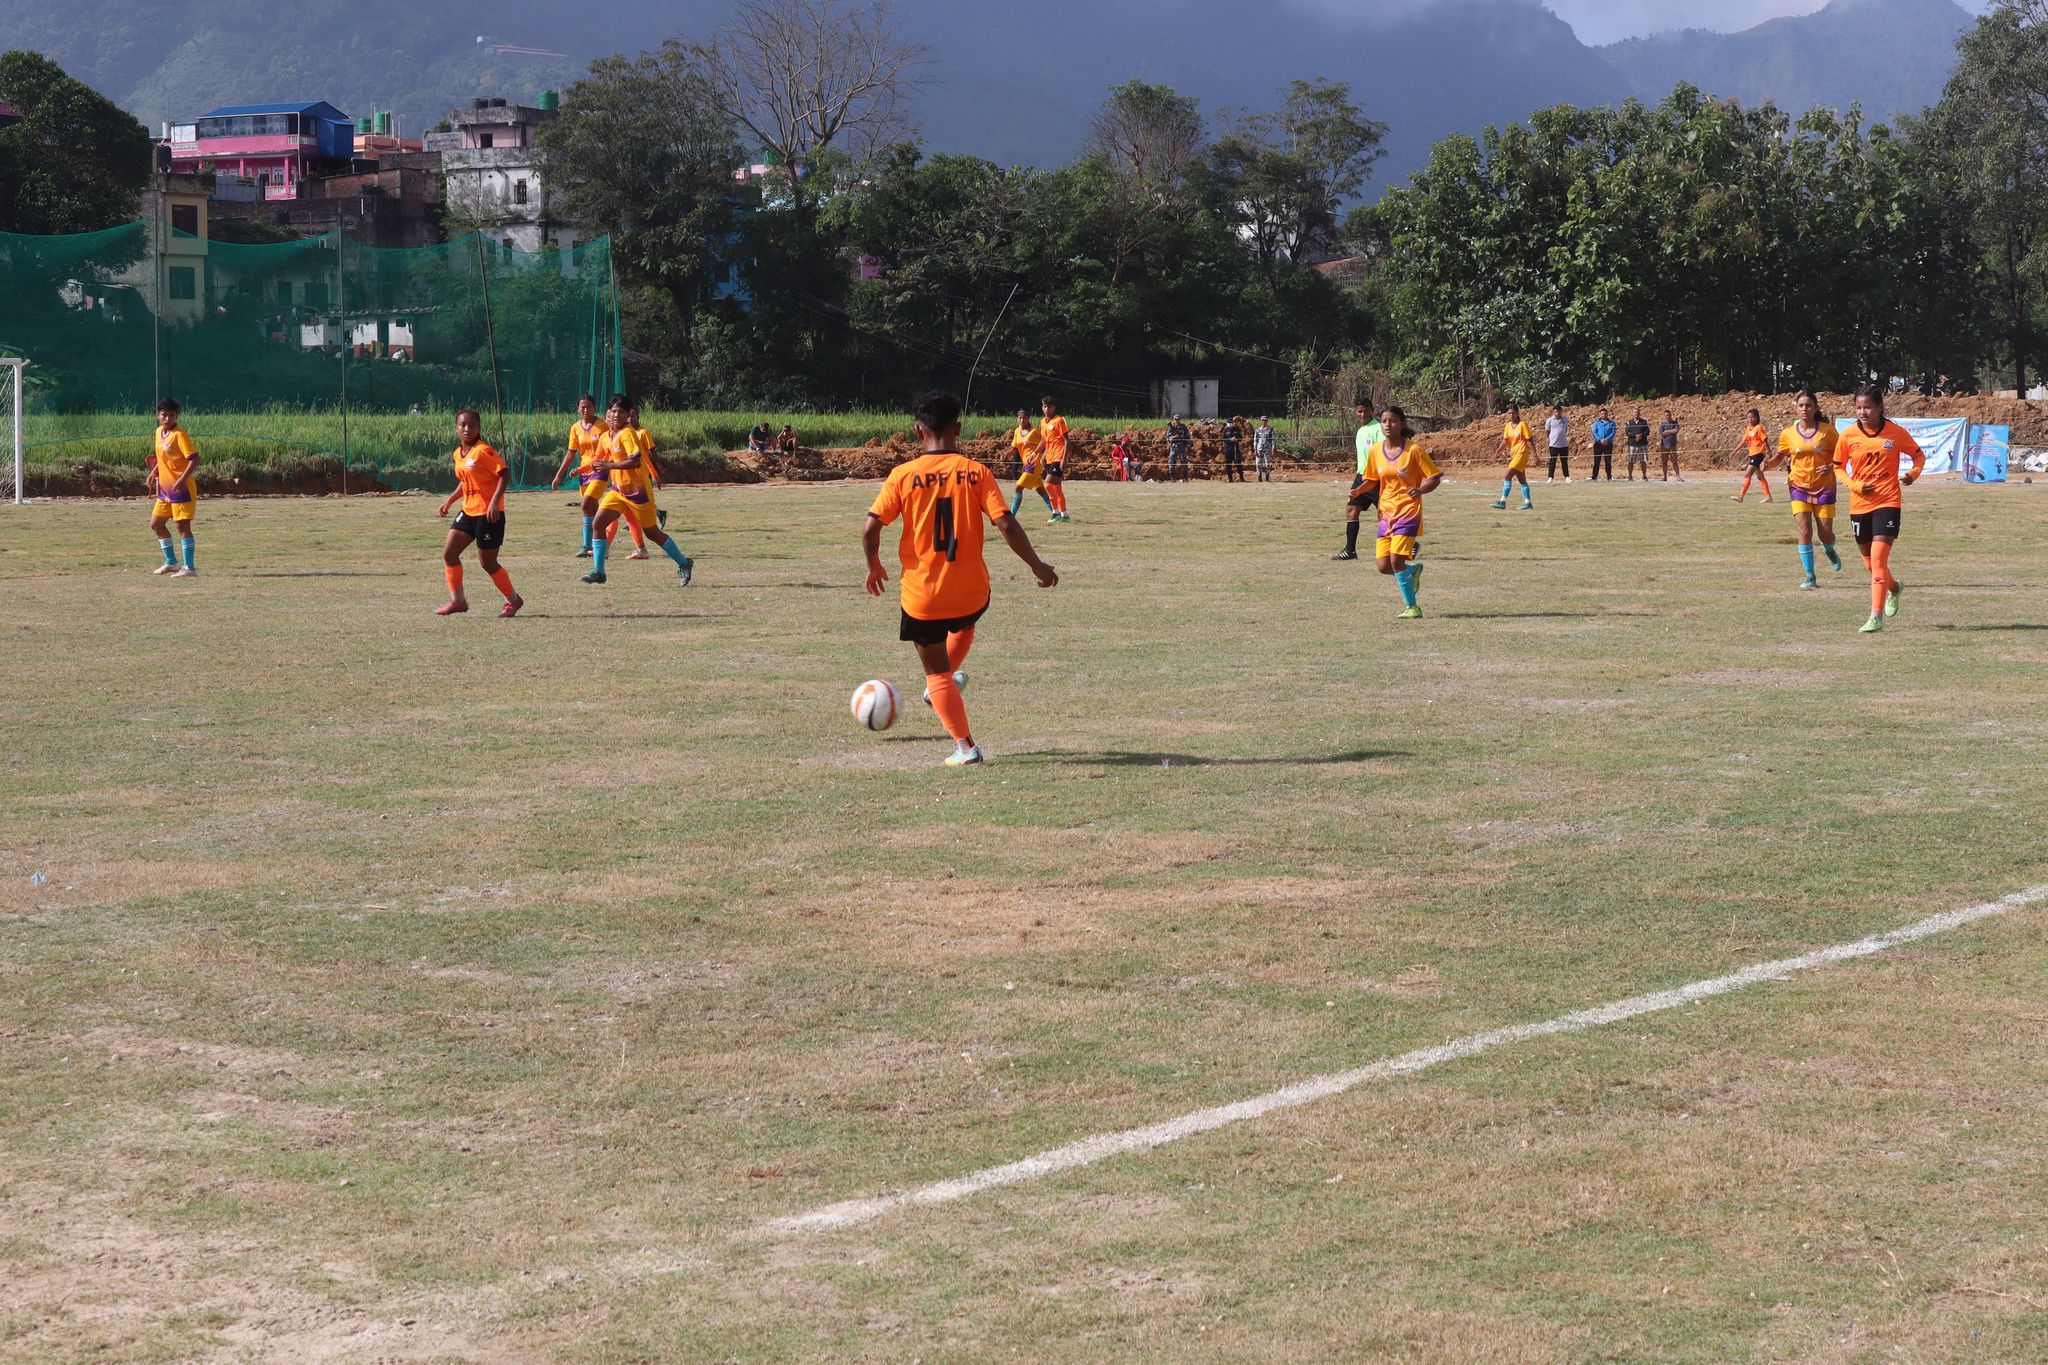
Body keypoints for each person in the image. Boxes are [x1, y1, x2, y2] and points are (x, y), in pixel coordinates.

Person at [863, 389, 1058, 767]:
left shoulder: (903, 475)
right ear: (958, 428)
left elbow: (871, 527)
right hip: (971, 593)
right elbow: (1006, 523)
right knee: (963, 624)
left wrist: (873, 565)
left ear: (918, 432)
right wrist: (1037, 565)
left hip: (923, 597)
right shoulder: (977, 472)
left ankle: (965, 746)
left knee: (935, 672)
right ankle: (944, 685)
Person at [1835, 385, 1924, 634]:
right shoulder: (1849, 435)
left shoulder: (1895, 433)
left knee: (1878, 559)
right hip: (1859, 503)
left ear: (1880, 407)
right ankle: (1894, 587)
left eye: (1868, 407)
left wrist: (1913, 474)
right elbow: (1838, 467)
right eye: (1859, 407)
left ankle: (1875, 617)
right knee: (1869, 564)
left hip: (1888, 502)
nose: (1863, 411)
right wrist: (1855, 485)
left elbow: (1919, 457)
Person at [580, 395, 694, 587]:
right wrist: (586, 469)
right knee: (598, 524)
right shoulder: (607, 436)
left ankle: (684, 562)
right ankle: (599, 571)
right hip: (618, 491)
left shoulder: (628, 433)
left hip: (639, 493)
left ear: (628, 415)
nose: (617, 415)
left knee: (652, 533)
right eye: (614, 411)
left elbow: (635, 461)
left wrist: (609, 466)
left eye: (621, 412)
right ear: (608, 413)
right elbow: (599, 458)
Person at [433, 409, 523, 618]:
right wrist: (449, 500)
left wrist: (494, 503)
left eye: (472, 425)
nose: (467, 428)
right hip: (468, 511)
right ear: (456, 427)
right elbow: (465, 482)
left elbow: (504, 473)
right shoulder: (458, 453)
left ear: (478, 428)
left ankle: (514, 600)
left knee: (488, 563)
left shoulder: (484, 451)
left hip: (488, 515)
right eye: (463, 424)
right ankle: (458, 601)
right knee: (449, 553)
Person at [1359, 405, 1443, 619]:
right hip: (1385, 514)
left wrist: (1420, 489)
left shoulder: (1414, 450)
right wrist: (1357, 491)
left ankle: (1412, 607)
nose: (1388, 424)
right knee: (1383, 565)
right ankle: (1412, 570)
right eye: (1385, 421)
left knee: (1396, 560)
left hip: (1408, 511)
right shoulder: (1376, 451)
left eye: (1393, 420)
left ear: (1402, 424)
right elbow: (1371, 479)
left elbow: (1434, 477)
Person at [1768, 387, 1843, 589]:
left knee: (1825, 532)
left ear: (1815, 407)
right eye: (1801, 405)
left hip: (1824, 488)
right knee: (1804, 529)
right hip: (1798, 486)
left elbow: (1843, 455)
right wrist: (1768, 464)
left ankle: (1829, 548)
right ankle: (1810, 576)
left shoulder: (1828, 431)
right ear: (1795, 408)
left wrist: (1830, 467)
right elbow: (1780, 455)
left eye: (1808, 405)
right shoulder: (1788, 433)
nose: (1804, 409)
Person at [146, 399, 200, 578]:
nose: (167, 418)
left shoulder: (180, 434)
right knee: (156, 524)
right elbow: (162, 458)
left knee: (182, 526)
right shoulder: (158, 432)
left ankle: (189, 568)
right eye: (164, 414)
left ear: (177, 416)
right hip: (165, 488)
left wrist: (183, 479)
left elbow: (194, 458)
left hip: (181, 488)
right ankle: (171, 562)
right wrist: (154, 472)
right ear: (158, 416)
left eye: (171, 415)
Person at [547, 394, 607, 559]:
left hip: (600, 471)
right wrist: (559, 475)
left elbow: (608, 452)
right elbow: (570, 454)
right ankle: (599, 547)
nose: (585, 410)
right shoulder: (575, 428)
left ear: (594, 407)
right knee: (591, 510)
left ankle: (586, 545)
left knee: (586, 503)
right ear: (578, 408)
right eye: (582, 407)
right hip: (583, 474)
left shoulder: (603, 426)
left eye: (589, 406)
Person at [1335, 399, 1385, 559]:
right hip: (1361, 476)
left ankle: (1410, 545)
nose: (1362, 414)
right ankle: (1350, 550)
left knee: (1386, 516)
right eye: (1359, 411)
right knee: (1351, 510)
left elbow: (1383, 453)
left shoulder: (1378, 429)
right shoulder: (1361, 430)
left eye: (1365, 411)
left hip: (1375, 478)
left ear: (1371, 410)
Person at [1008, 408, 1054, 518]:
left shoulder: (1035, 432)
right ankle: (1056, 512)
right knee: (1040, 490)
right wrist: (1005, 454)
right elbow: (1015, 448)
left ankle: (1011, 516)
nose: (1022, 419)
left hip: (1034, 464)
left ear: (1028, 418)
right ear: (1017, 419)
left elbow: (1047, 442)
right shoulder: (1017, 431)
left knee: (1018, 487)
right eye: (1020, 417)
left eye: (1024, 417)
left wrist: (1044, 455)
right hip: (1027, 465)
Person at [1491, 404, 1535, 510]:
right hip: (1515, 455)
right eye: (1509, 413)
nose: (1511, 415)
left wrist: (1535, 454)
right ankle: (1528, 503)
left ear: (1517, 414)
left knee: (1507, 476)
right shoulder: (1507, 426)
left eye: (1513, 413)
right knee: (1522, 480)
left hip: (1522, 454)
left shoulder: (1522, 425)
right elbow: (1505, 441)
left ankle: (1502, 501)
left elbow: (1529, 440)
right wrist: (1497, 452)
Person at [1039, 396, 1072, 521]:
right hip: (1049, 458)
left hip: (1058, 457)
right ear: (1042, 408)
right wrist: (1043, 454)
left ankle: (1055, 512)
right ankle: (1064, 515)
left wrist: (1064, 459)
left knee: (1047, 484)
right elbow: (1046, 441)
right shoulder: (1043, 422)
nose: (1047, 409)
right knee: (1057, 488)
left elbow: (1067, 441)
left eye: (1049, 406)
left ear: (1054, 407)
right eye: (1044, 406)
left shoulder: (1059, 420)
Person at [1731, 408, 1773, 503]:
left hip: (1758, 454)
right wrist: (1734, 452)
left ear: (1757, 418)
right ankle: (1768, 497)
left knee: (1748, 473)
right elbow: (1743, 442)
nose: (1750, 419)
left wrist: (1770, 453)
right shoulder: (1748, 429)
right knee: (1760, 476)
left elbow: (1765, 440)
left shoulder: (1759, 428)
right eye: (1749, 417)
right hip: (1752, 454)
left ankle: (1741, 496)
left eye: (1753, 417)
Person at [1545, 404, 1571, 482]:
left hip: (1563, 444)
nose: (1557, 413)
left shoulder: (1565, 419)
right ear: (1553, 412)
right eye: (1556, 411)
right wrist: (1550, 439)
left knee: (1564, 461)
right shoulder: (1550, 420)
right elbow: (1547, 431)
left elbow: (1565, 430)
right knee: (1552, 461)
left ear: (1561, 411)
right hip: (1553, 444)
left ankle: (1567, 477)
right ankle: (1550, 477)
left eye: (1559, 411)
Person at [1589, 407, 1617, 481]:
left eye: (1605, 413)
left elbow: (1613, 432)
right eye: (1602, 413)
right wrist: (1600, 439)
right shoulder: (1596, 423)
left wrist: (1607, 440)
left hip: (1608, 444)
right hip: (1598, 444)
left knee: (1608, 461)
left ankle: (1609, 476)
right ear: (1600, 414)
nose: (1603, 415)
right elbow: (1594, 432)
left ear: (1607, 414)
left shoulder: (1612, 423)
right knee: (1597, 461)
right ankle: (1594, 476)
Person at [1624, 408, 1651, 481]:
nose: (1636, 414)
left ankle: (1644, 476)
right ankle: (1630, 476)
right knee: (1631, 461)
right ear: (1632, 413)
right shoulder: (1629, 422)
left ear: (1640, 413)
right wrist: (1635, 436)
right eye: (1635, 412)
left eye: (1638, 412)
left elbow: (1647, 431)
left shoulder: (1644, 422)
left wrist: (1641, 435)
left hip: (1642, 444)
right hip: (1632, 444)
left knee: (1643, 461)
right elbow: (1627, 433)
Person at [1658, 411, 1683, 481]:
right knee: (1664, 462)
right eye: (1666, 415)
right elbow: (1661, 433)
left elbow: (1676, 431)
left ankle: (1678, 476)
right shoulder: (1662, 424)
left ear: (1671, 415)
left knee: (1675, 461)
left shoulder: (1675, 423)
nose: (1667, 416)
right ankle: (1665, 477)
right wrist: (1671, 431)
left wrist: (1667, 432)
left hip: (1673, 445)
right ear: (1664, 416)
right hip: (1664, 445)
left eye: (1668, 415)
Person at [1166, 415, 1192, 482]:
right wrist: (1174, 437)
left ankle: (1185, 478)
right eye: (1175, 419)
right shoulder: (1171, 428)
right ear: (1173, 420)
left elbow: (1187, 437)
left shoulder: (1183, 427)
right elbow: (1167, 438)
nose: (1177, 420)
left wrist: (1182, 440)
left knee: (1184, 463)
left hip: (1182, 447)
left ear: (1180, 420)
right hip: (1174, 447)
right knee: (1171, 463)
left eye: (1178, 419)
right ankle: (1173, 479)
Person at [1220, 416, 1245, 482]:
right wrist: (1230, 440)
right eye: (1228, 423)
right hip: (1228, 449)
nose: (1230, 424)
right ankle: (1230, 478)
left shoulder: (1236, 429)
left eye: (1231, 422)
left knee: (1238, 463)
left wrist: (1237, 439)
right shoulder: (1225, 430)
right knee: (1228, 464)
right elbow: (1224, 439)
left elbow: (1241, 438)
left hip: (1235, 449)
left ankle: (1241, 477)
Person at [1253, 416, 1276, 482]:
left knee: (1268, 463)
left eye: (1265, 420)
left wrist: (1273, 448)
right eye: (1262, 420)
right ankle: (1259, 477)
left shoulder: (1270, 429)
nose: (1264, 422)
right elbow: (1255, 440)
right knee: (1258, 463)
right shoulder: (1257, 430)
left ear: (1267, 421)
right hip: (1259, 449)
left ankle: (1267, 477)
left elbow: (1273, 440)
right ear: (1260, 421)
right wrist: (1255, 449)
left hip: (1267, 449)